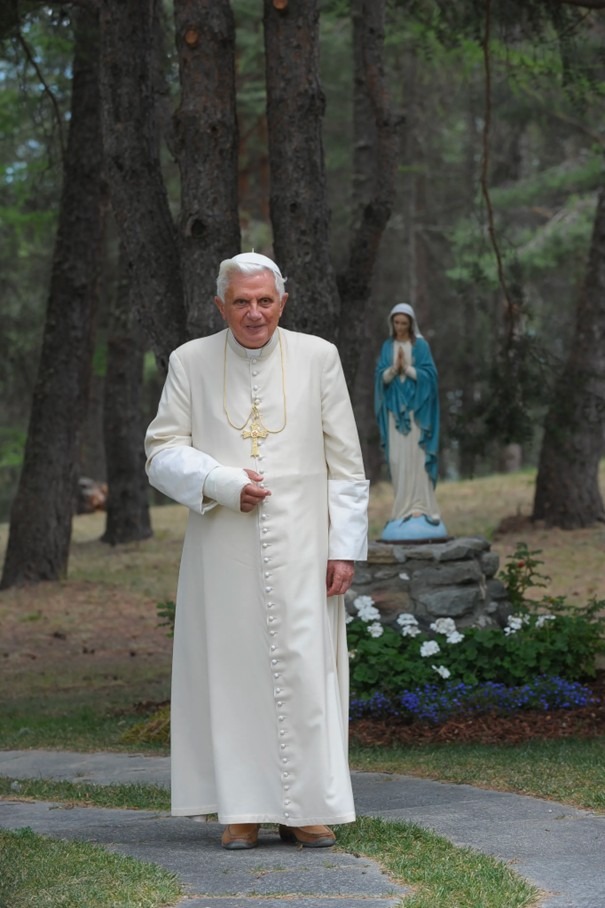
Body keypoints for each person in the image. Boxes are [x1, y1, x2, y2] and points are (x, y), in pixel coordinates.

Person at [145, 252, 369, 851]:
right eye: (240, 302)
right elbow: (161, 451)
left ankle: (307, 809)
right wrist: (219, 482)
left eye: (264, 301)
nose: (253, 313)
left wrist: (344, 546)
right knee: (232, 672)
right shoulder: (189, 361)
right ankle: (239, 809)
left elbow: (347, 464)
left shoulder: (319, 357)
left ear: (282, 302)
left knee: (304, 672)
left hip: (304, 548)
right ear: (221, 305)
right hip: (223, 546)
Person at [374, 302, 447, 542]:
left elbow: (430, 377)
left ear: (411, 324)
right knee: (398, 460)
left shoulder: (421, 346)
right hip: (395, 414)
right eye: (397, 323)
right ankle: (401, 508)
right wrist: (394, 370)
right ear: (392, 323)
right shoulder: (388, 347)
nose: (400, 327)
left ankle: (422, 507)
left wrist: (409, 369)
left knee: (417, 458)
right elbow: (380, 380)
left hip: (418, 413)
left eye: (405, 323)